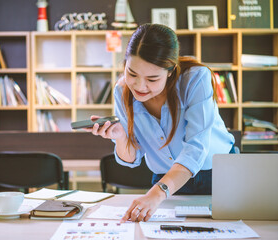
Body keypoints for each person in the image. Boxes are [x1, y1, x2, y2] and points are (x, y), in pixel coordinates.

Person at [85, 24, 235, 222]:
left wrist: (156, 194)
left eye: (152, 79)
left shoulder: (195, 79)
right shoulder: (122, 92)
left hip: (215, 175)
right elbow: (131, 158)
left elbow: (196, 149)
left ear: (170, 71)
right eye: (132, 74)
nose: (140, 86)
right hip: (164, 180)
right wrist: (121, 136)